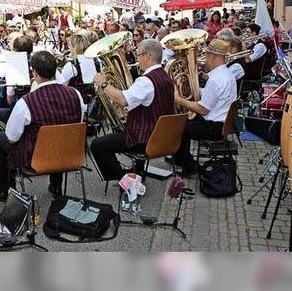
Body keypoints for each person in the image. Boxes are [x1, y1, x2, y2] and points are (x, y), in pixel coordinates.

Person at [0, 51, 85, 201]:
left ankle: (7, 190)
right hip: (69, 154)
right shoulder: (75, 94)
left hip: (35, 159)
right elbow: (77, 124)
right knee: (60, 133)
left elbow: (12, 138)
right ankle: (56, 185)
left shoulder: (26, 102)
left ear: (34, 72)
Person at [90, 39, 175, 182]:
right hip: (163, 137)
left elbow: (123, 100)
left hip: (145, 140)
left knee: (98, 145)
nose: (137, 58)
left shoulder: (146, 81)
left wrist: (103, 84)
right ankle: (137, 170)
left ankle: (125, 178)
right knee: (123, 129)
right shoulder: (165, 76)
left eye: (138, 54)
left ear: (147, 56)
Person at [172, 39, 237, 174]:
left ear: (215, 56)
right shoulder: (226, 74)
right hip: (222, 123)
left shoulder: (216, 79)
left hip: (213, 127)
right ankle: (182, 159)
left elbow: (203, 109)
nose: (205, 60)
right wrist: (191, 87)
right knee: (183, 121)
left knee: (176, 128)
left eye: (207, 56)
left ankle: (189, 166)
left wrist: (179, 100)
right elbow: (212, 95)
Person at [59, 33, 96, 103]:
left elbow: (62, 84)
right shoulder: (97, 60)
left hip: (79, 103)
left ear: (74, 47)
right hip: (98, 102)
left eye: (70, 46)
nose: (69, 48)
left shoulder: (71, 65)